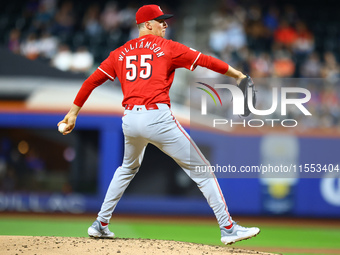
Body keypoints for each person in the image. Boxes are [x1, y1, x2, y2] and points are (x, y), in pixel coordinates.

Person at [58, 4, 260, 245]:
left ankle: (100, 223)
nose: (165, 24)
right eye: (160, 21)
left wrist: (73, 113)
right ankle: (228, 228)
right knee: (202, 170)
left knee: (126, 168)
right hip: (157, 117)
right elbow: (205, 60)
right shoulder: (168, 47)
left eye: (165, 20)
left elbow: (91, 81)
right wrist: (237, 75)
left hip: (130, 120)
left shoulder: (119, 53)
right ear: (146, 25)